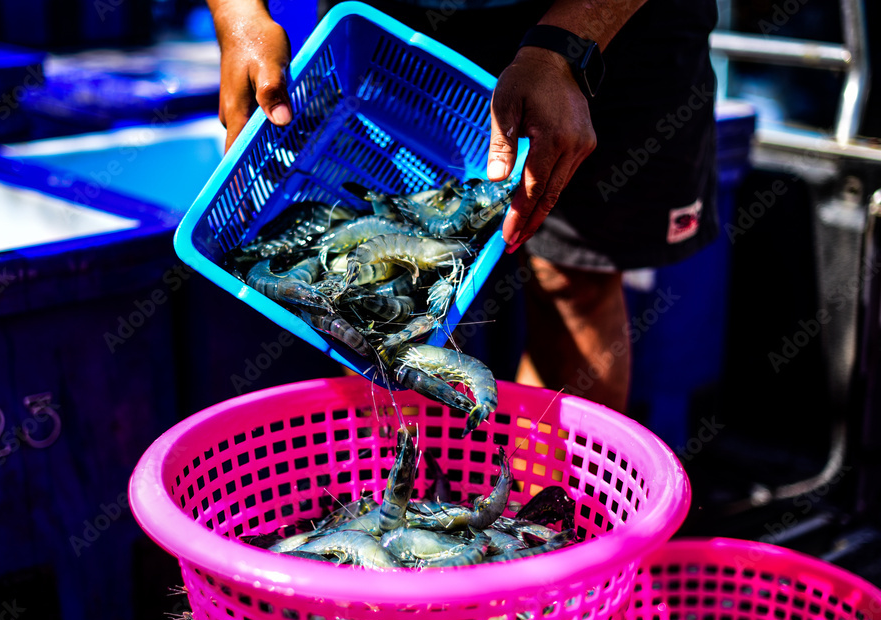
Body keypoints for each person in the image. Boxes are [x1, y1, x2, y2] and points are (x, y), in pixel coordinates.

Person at [207, 0, 718, 412]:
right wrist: (238, 16)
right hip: (390, 16)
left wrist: (566, 46)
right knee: (368, 335)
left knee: (577, 281)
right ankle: (407, 480)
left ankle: (550, 516)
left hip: (607, 20)